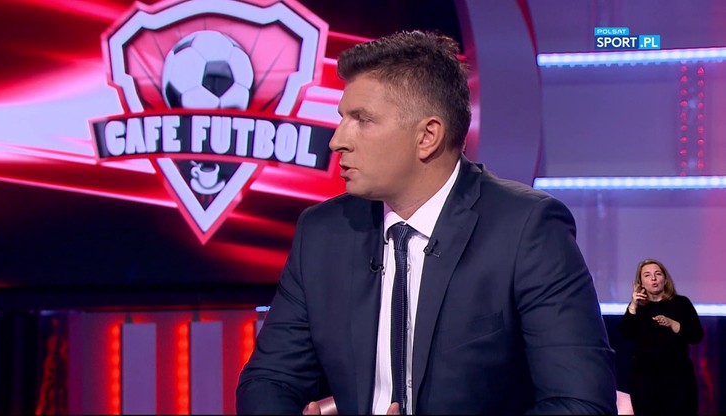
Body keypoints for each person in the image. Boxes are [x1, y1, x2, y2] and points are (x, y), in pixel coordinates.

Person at [236, 30, 616, 414]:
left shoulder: (527, 230)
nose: (337, 141)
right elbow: (269, 380)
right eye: (342, 119)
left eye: (362, 120)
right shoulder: (323, 233)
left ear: (427, 136)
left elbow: (581, 403)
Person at [619, 259, 703, 415]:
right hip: (644, 382)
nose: (653, 278)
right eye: (647, 275)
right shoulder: (638, 307)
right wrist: (633, 305)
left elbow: (696, 336)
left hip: (678, 379)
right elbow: (625, 333)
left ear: (665, 279)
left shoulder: (681, 303)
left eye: (658, 274)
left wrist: (674, 324)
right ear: (640, 283)